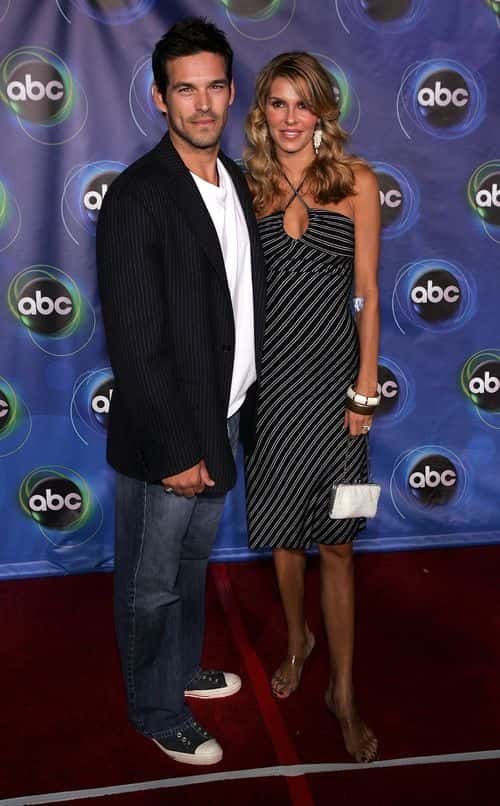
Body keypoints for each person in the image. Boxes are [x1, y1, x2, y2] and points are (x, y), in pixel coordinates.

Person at [96, 17, 265, 766]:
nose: (202, 104)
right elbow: (136, 341)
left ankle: (178, 669)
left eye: (214, 87)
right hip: (169, 435)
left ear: (231, 92)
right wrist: (173, 451)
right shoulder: (139, 196)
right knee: (151, 580)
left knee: (192, 566)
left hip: (222, 416)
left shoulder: (235, 183)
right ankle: (156, 708)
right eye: (185, 90)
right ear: (160, 99)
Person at [244, 52, 380, 764]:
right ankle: (297, 639)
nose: (290, 118)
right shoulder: (250, 189)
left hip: (339, 396)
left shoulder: (357, 181)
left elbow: (369, 293)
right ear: (262, 113)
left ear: (324, 111)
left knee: (341, 543)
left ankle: (345, 693)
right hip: (272, 393)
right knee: (283, 537)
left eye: (303, 105)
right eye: (278, 104)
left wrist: (364, 391)